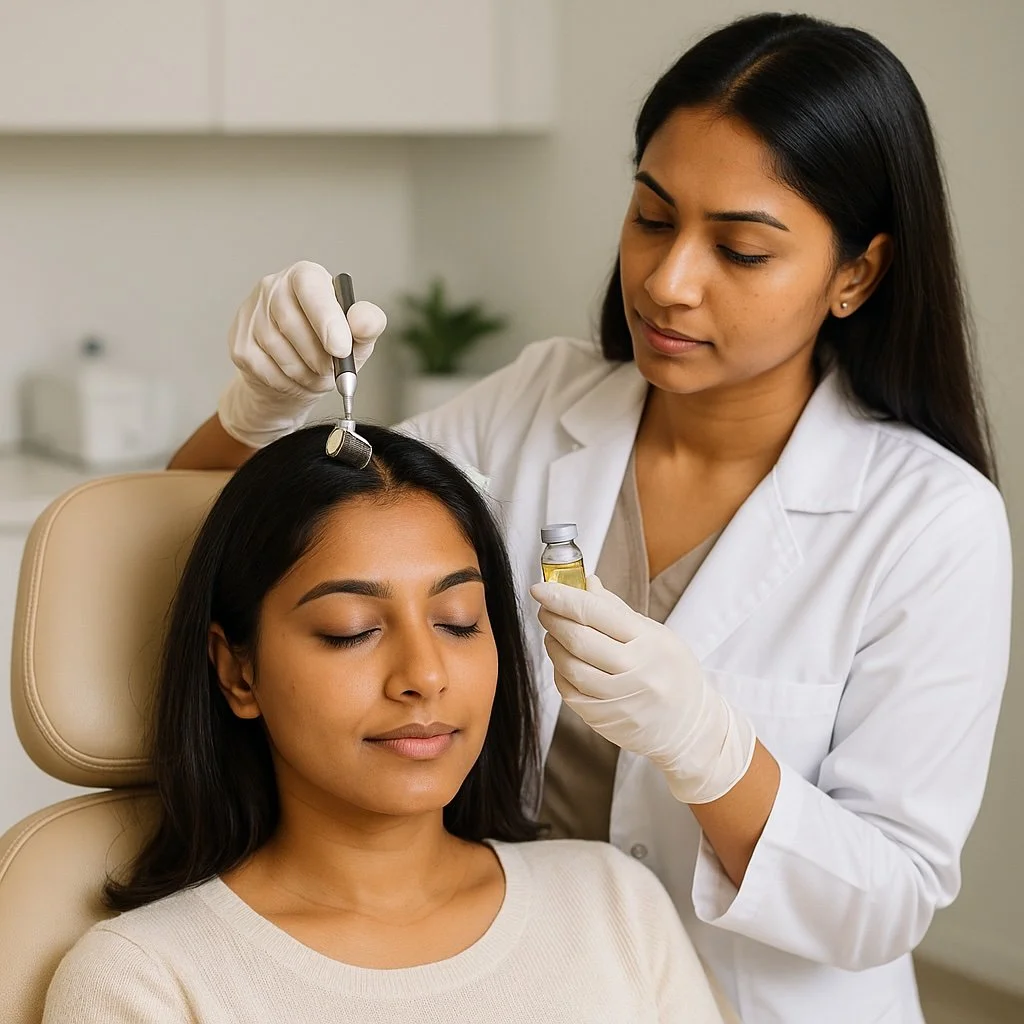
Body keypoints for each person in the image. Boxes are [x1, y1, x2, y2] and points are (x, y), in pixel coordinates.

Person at [168, 12, 1012, 1024]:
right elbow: (216, 537)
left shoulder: (929, 519)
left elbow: (886, 902)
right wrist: (257, 409)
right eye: (652, 218)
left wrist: (710, 749)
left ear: (856, 274)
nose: (666, 280)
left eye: (739, 250)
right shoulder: (541, 402)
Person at [43, 424, 730, 1024]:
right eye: (353, 630)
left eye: (458, 621)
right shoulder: (147, 981)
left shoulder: (611, 903)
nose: (425, 674)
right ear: (238, 672)